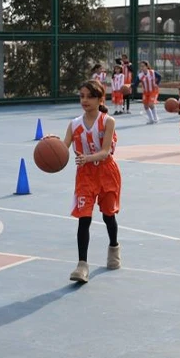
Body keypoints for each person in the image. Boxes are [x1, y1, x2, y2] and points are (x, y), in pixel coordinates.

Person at [62, 80, 121, 284]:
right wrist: (49, 144)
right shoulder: (74, 124)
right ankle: (82, 265)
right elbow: (62, 148)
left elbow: (105, 151)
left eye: (89, 96)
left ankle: (114, 247)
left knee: (108, 216)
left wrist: (87, 157)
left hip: (106, 172)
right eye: (82, 96)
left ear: (100, 99)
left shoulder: (108, 122)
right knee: (84, 218)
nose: (84, 100)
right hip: (85, 175)